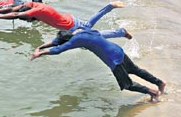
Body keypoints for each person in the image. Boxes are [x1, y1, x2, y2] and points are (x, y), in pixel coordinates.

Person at [30, 28, 166, 102]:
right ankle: (160, 83)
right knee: (135, 70)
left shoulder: (75, 40)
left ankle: (153, 93)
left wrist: (40, 53)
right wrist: (40, 46)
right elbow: (57, 42)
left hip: (113, 59)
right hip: (118, 51)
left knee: (127, 85)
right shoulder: (82, 31)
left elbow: (58, 49)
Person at [0, 1, 122, 32]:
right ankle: (110, 7)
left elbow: (16, 13)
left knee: (93, 36)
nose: (30, 20)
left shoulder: (36, 11)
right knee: (89, 27)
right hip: (71, 19)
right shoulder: (33, 4)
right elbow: (14, 8)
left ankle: (120, 32)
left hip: (72, 26)